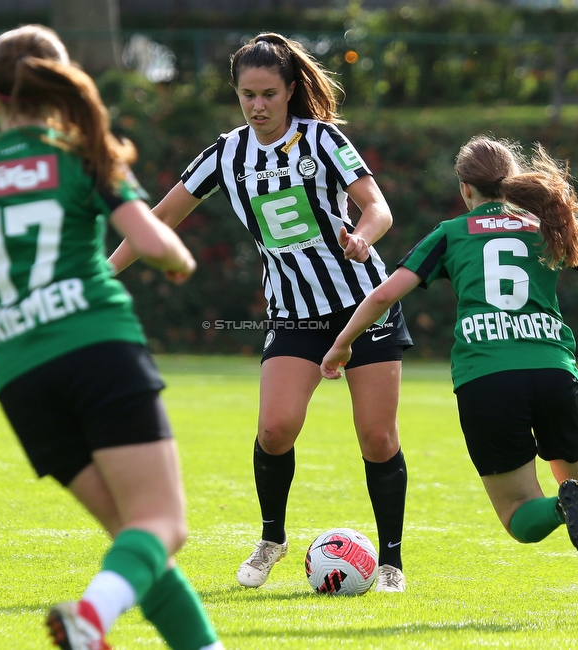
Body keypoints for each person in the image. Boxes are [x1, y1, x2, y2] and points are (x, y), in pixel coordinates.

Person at [0, 25, 223, 650]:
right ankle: (90, 618)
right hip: (97, 350)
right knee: (162, 524)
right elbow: (150, 241)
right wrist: (178, 261)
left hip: (19, 376)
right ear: (61, 89)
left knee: (136, 543)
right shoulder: (81, 155)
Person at [321, 135, 578, 625]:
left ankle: (561, 509)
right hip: (553, 373)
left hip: (487, 380)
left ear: (464, 189)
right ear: (511, 182)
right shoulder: (548, 228)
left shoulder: (452, 233)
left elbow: (384, 296)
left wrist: (343, 342)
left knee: (520, 515)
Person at [109, 33, 412, 592]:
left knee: (377, 438)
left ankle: (391, 560)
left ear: (291, 90)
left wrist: (364, 238)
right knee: (274, 429)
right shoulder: (226, 153)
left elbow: (378, 208)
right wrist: (105, 274)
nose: (258, 105)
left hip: (363, 304)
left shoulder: (323, 140)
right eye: (247, 94)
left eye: (269, 93)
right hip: (294, 313)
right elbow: (160, 217)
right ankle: (273, 538)